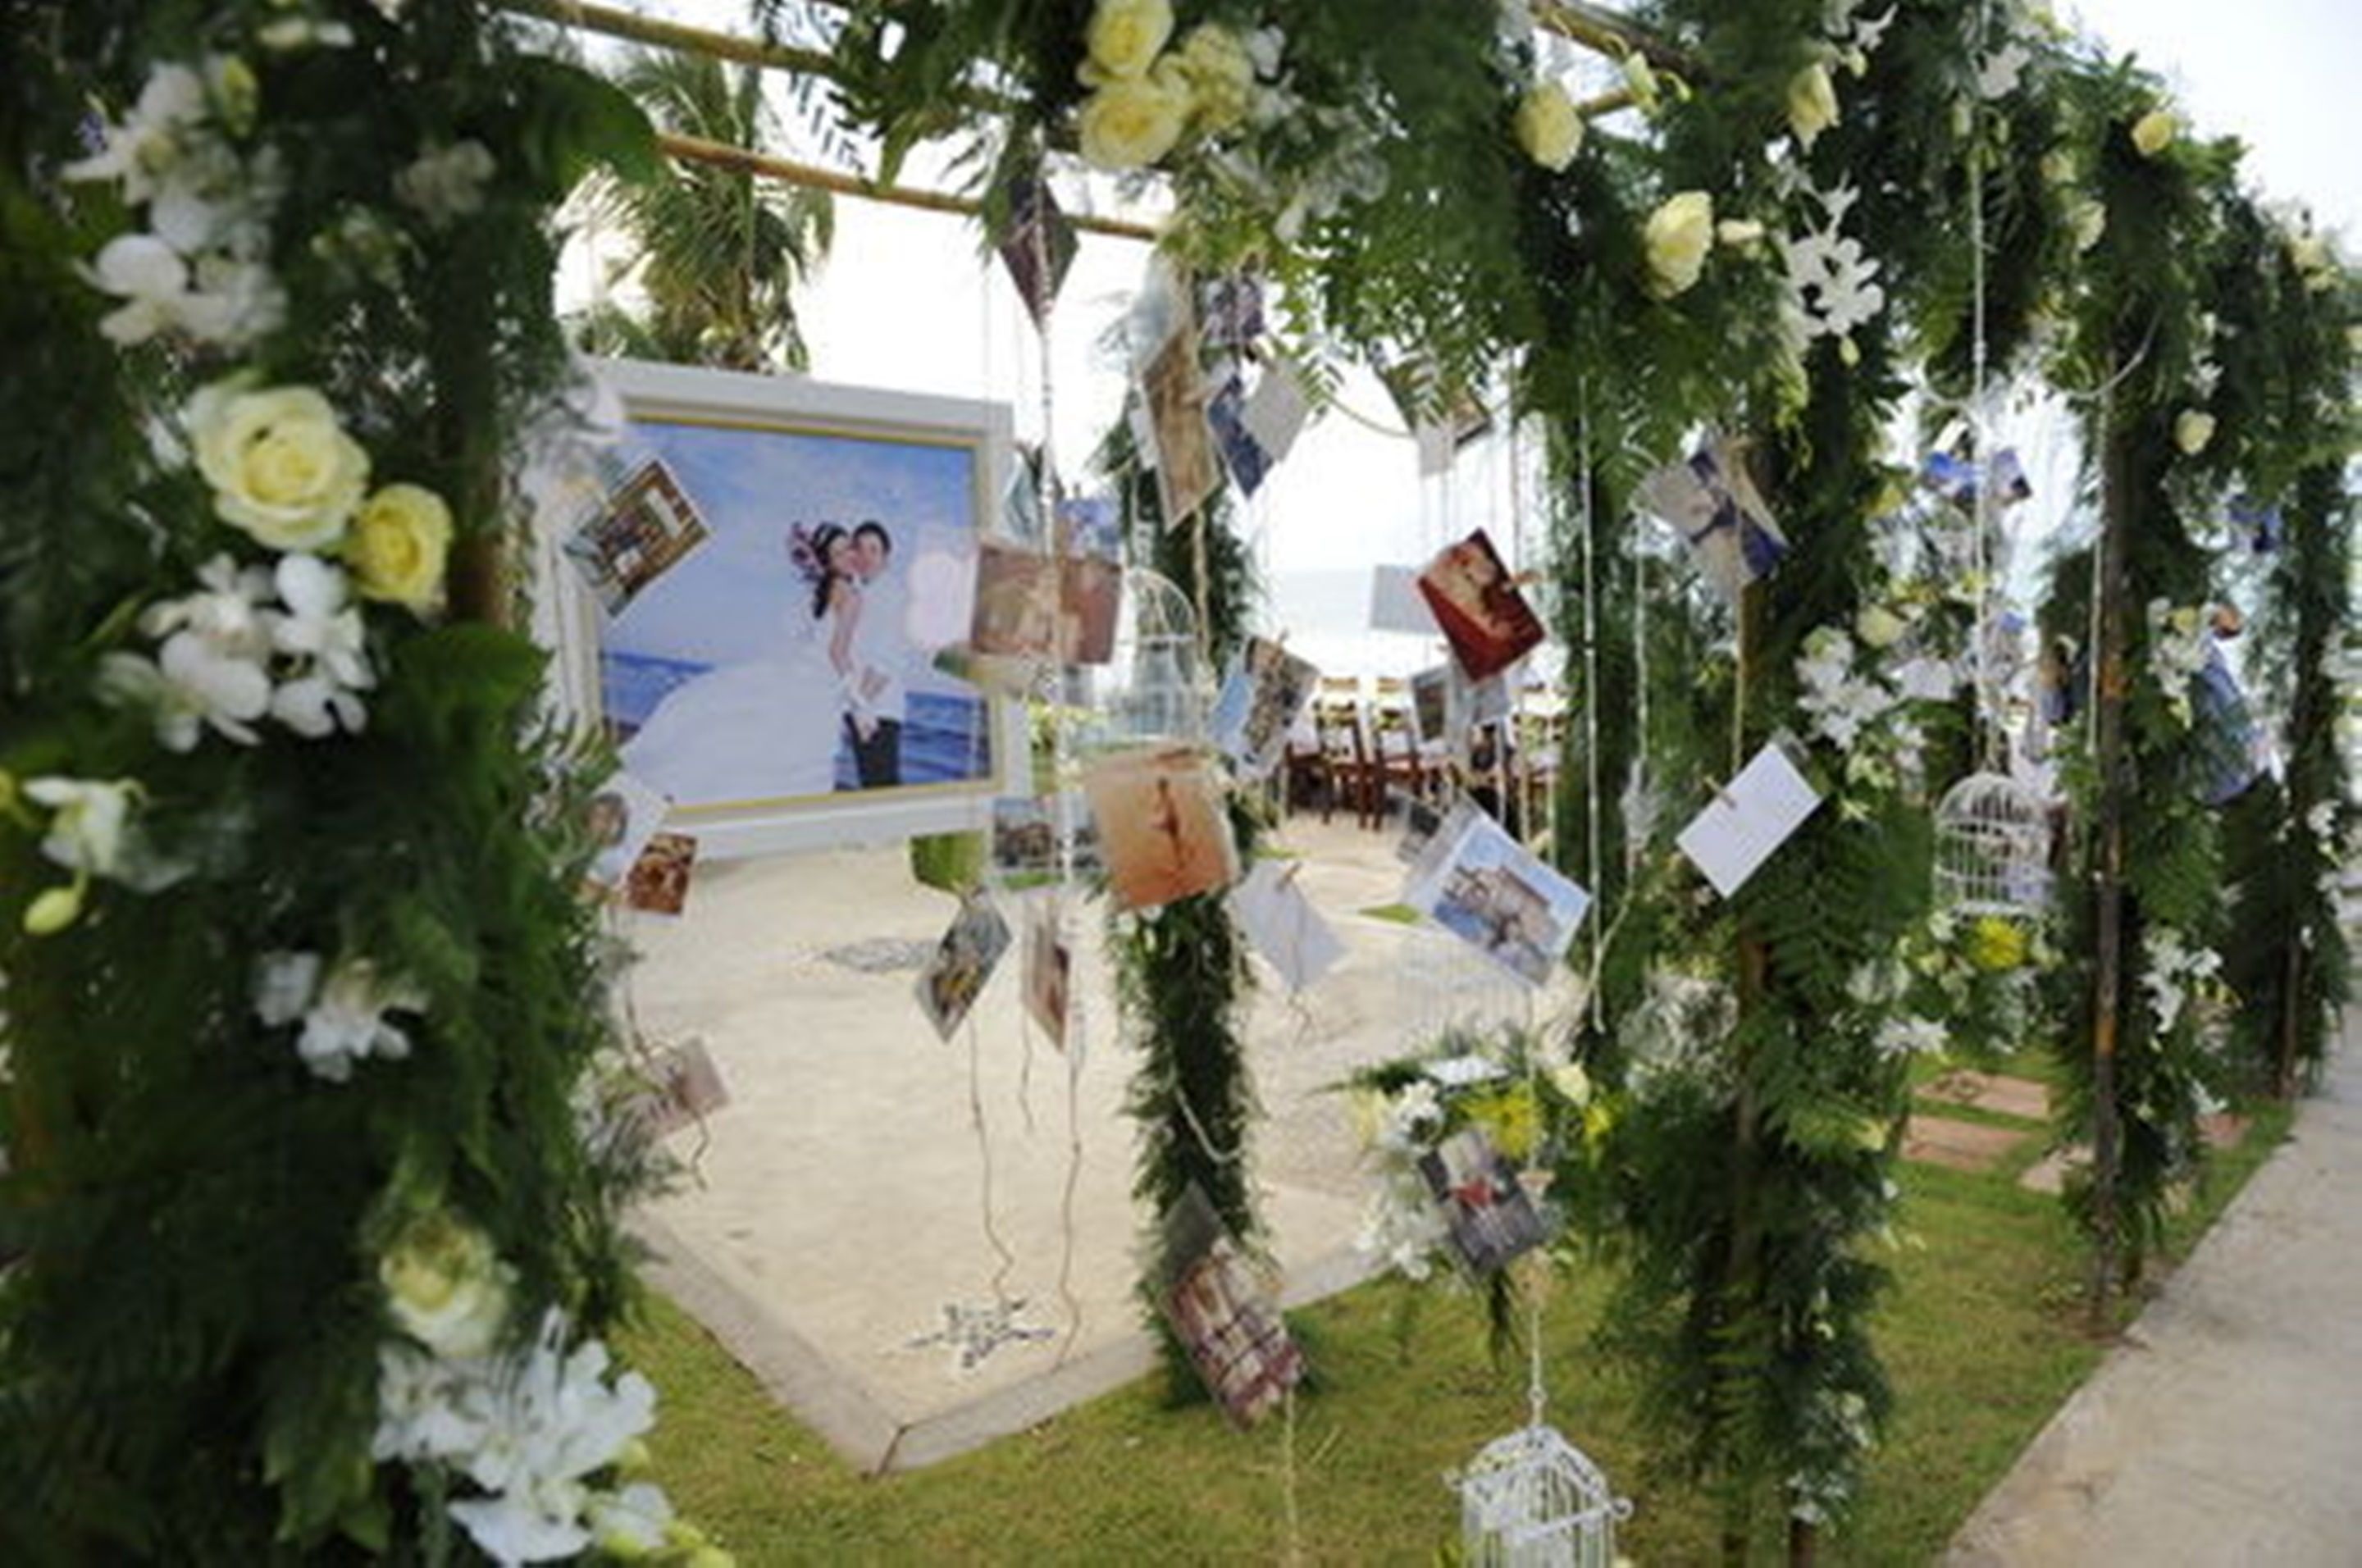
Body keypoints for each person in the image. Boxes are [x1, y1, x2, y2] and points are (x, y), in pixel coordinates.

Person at [618, 523, 855, 805]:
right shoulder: (851, 596)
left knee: (746, 722)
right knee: (785, 744)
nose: (849, 556)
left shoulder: (820, 591)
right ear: (828, 558)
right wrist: (855, 694)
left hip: (799, 668)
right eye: (839, 552)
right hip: (819, 679)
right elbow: (838, 652)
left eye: (849, 548)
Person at [841, 520, 906, 788]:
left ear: (886, 558)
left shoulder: (888, 594)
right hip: (865, 704)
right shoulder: (863, 593)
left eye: (874, 550)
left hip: (877, 708)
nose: (866, 557)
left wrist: (862, 708)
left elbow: (887, 658)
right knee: (873, 784)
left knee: (881, 787)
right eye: (860, 549)